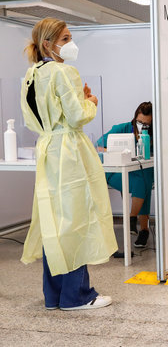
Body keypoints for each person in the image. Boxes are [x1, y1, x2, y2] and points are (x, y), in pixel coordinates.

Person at [20, 17, 117, 310]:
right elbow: (77, 116)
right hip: (70, 151)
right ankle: (77, 296)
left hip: (47, 149)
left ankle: (55, 295)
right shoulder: (65, 72)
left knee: (55, 222)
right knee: (77, 221)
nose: (70, 44)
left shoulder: (31, 74)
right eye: (65, 39)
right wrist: (91, 102)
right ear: (47, 43)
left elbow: (30, 119)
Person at [97, 102, 154, 248]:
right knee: (144, 179)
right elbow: (99, 146)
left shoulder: (155, 135)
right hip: (117, 173)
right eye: (139, 122)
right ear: (134, 118)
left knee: (144, 175)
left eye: (146, 124)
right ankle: (142, 228)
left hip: (140, 174)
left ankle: (132, 220)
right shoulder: (121, 129)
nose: (142, 126)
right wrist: (118, 154)